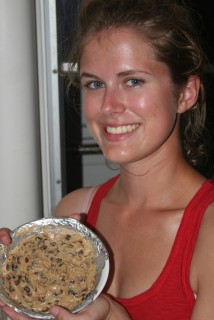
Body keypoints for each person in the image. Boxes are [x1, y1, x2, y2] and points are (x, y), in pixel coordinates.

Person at [1, 0, 214, 319]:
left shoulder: (207, 229)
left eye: (133, 81)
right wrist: (22, 287)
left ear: (185, 94)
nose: (108, 106)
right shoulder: (74, 213)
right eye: (95, 84)